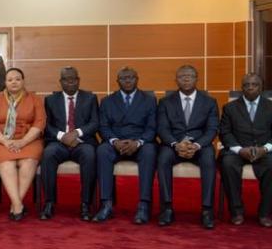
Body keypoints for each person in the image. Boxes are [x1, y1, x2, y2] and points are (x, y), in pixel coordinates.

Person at [156, 65, 219, 229]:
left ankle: (207, 210)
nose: (186, 78)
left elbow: (212, 129)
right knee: (162, 158)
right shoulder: (165, 102)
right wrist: (176, 145)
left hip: (200, 145)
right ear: (175, 80)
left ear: (197, 79)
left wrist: (197, 145)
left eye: (190, 75)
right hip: (174, 145)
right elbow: (162, 128)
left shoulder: (209, 102)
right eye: (182, 76)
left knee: (209, 158)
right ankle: (167, 208)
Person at [95, 67, 157, 224]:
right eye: (124, 78)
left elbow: (152, 127)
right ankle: (106, 204)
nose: (128, 80)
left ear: (137, 79)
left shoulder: (149, 100)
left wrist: (138, 142)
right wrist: (114, 141)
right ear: (117, 81)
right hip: (116, 142)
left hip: (140, 143)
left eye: (131, 77)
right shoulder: (107, 101)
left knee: (150, 151)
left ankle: (143, 205)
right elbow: (103, 127)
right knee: (102, 150)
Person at [0, 68, 46, 221]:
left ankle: (15, 205)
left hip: (29, 140)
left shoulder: (34, 99)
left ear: (23, 81)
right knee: (7, 163)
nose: (14, 82)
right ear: (5, 83)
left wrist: (22, 142)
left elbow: (39, 123)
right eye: (10, 79)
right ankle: (18, 205)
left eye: (18, 79)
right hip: (0, 141)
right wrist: (5, 141)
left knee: (29, 161)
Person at [39, 67, 99, 221]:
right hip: (59, 142)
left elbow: (94, 123)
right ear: (61, 82)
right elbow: (47, 125)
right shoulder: (50, 100)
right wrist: (61, 136)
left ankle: (86, 204)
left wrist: (77, 133)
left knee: (90, 154)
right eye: (66, 79)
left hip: (82, 142)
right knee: (48, 154)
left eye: (74, 79)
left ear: (79, 80)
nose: (70, 82)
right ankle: (49, 203)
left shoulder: (90, 98)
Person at [219, 73, 272, 227]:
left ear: (261, 87)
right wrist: (239, 149)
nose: (250, 88)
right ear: (241, 88)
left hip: (264, 150)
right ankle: (237, 212)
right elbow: (225, 132)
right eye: (246, 85)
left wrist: (265, 148)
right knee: (228, 163)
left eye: (254, 84)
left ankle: (264, 213)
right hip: (238, 150)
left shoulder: (270, 106)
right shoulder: (230, 107)